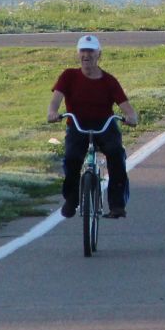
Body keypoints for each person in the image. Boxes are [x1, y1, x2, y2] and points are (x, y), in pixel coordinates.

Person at [48, 34, 138, 218]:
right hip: (77, 125)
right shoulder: (68, 76)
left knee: (115, 154)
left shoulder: (109, 81)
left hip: (104, 126)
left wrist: (131, 117)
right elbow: (55, 100)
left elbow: (126, 107)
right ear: (78, 54)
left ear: (99, 55)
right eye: (83, 51)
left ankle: (116, 205)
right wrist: (52, 112)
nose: (86, 55)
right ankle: (71, 200)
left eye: (90, 51)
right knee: (72, 158)